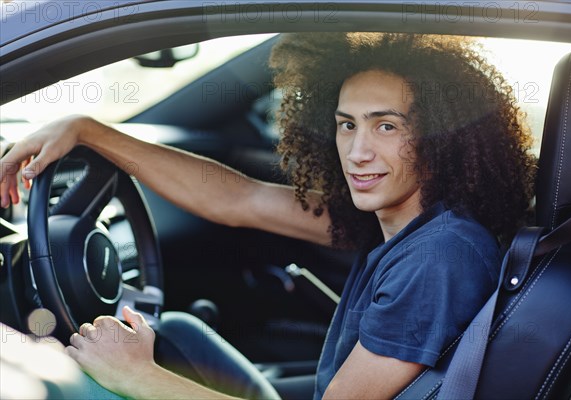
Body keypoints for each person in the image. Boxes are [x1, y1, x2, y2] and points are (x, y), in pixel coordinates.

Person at [0, 32, 535, 399]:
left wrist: (137, 376)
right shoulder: (408, 221)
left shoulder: (440, 257)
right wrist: (89, 130)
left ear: (443, 136)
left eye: (386, 126)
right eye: (347, 124)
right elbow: (238, 198)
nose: (358, 151)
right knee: (178, 333)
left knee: (44, 370)